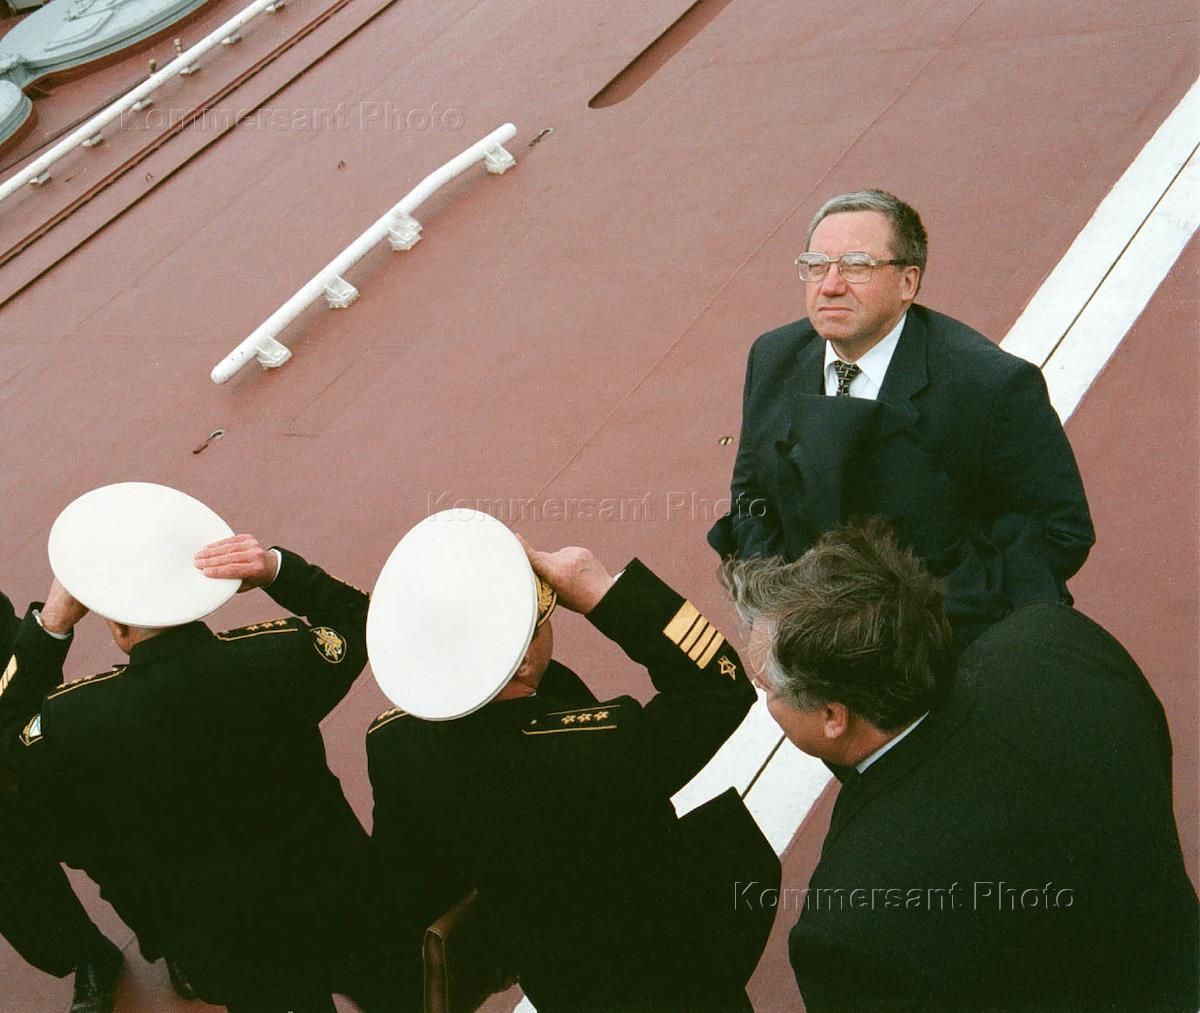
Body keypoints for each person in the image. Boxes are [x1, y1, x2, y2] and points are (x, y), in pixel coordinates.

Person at [721, 520, 1199, 1012]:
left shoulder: (849, 924)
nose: (763, 696)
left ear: (832, 716)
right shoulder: (1057, 638)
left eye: (768, 687)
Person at [0, 485, 409, 1012]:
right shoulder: (277, 656)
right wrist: (275, 570)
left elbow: (7, 737)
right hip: (339, 899)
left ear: (118, 627)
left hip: (225, 943)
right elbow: (360, 619)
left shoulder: (78, 719)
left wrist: (50, 627)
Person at [367, 512, 780, 1013]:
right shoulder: (603, 748)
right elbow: (719, 685)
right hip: (671, 971)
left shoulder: (390, 742)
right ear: (521, 661)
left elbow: (412, 878)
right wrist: (603, 593)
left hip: (554, 980)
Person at [709, 189, 1095, 632]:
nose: (830, 285)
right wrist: (782, 605)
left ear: (908, 282)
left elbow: (1060, 532)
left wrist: (910, 617)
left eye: (857, 266)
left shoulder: (990, 384)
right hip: (808, 631)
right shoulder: (772, 356)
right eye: (816, 265)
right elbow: (751, 495)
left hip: (935, 636)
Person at [0, 590, 127, 1013]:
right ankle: (90, 956)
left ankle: (171, 939)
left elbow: (22, 661)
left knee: (114, 851)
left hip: (27, 754)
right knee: (23, 897)